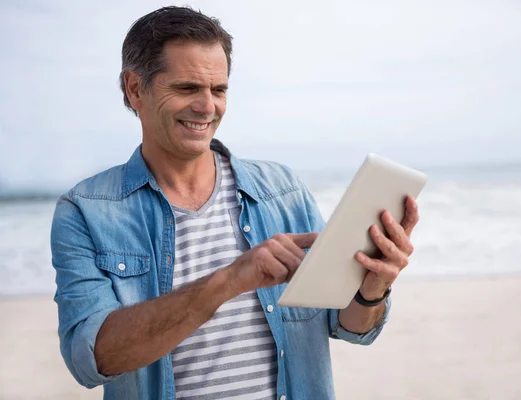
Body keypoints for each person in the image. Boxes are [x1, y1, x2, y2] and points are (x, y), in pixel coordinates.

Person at [50, 6, 420, 400]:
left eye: (219, 90)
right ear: (135, 89)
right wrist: (229, 281)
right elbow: (93, 360)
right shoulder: (86, 211)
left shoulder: (283, 190)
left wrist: (373, 288)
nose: (208, 107)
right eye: (187, 88)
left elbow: (349, 325)